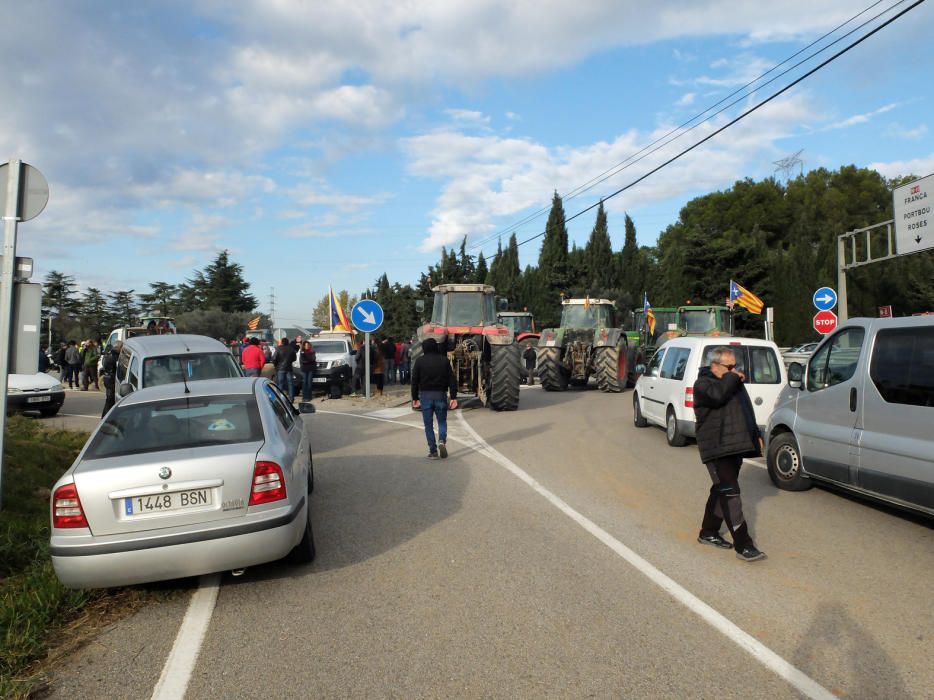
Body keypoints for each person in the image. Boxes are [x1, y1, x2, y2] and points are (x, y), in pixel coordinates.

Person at [693, 347, 766, 562]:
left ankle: (708, 532)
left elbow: (745, 410)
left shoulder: (731, 382)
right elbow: (717, 396)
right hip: (717, 448)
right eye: (730, 366)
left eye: (736, 366)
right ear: (714, 366)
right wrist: (733, 378)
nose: (735, 370)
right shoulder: (703, 384)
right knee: (731, 494)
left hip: (736, 446)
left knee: (721, 490)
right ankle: (744, 545)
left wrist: (756, 434)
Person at [411, 338, 458, 460]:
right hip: (440, 395)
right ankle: (441, 439)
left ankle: (433, 451)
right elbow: (452, 380)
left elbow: (414, 381)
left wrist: (415, 398)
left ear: (424, 348)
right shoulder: (444, 360)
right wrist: (453, 397)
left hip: (425, 396)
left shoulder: (419, 361)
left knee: (428, 425)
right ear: (436, 347)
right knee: (442, 422)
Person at [100, 341, 122, 417]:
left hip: (108, 378)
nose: (122, 349)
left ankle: (107, 416)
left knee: (111, 399)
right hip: (110, 380)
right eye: (121, 347)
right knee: (110, 400)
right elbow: (116, 368)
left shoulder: (109, 354)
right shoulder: (113, 356)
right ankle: (105, 417)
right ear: (117, 348)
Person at [272, 336, 297, 401]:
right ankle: (291, 398)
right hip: (289, 368)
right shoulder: (291, 349)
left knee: (280, 383)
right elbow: (295, 358)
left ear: (282, 342)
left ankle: (279, 398)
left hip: (280, 368)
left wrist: (276, 365)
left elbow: (274, 358)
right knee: (290, 383)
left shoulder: (278, 348)